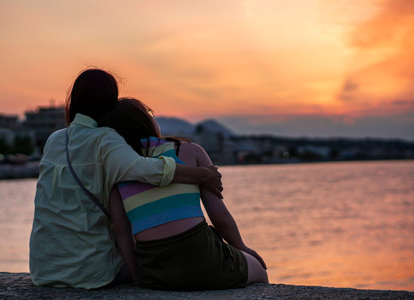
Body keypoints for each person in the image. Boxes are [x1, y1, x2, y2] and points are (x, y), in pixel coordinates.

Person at [29, 69, 223, 289]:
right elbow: (145, 169)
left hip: (43, 270)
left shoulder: (54, 140)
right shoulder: (105, 139)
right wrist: (202, 174)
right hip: (89, 272)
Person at [102, 97, 269, 290]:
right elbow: (220, 217)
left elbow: (121, 230)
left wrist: (135, 273)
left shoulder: (117, 170)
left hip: (153, 269)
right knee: (259, 270)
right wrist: (241, 247)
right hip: (202, 256)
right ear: (146, 121)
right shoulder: (190, 151)